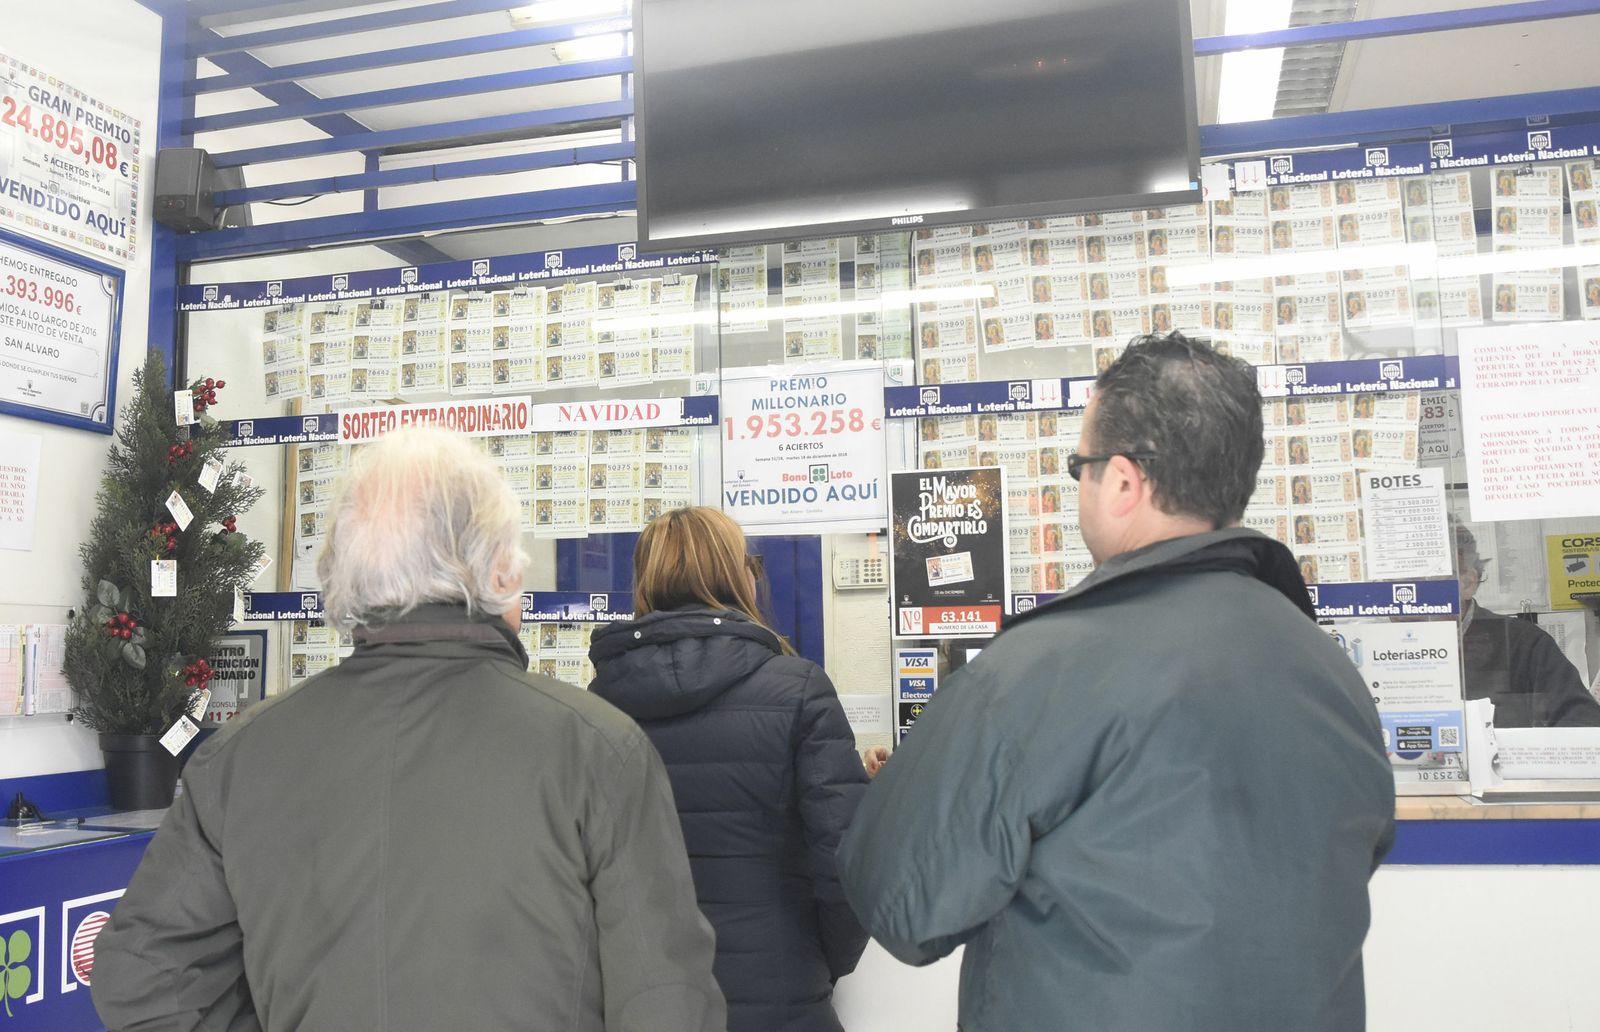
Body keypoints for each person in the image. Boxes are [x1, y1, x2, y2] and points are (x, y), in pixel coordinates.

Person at [838, 331, 1394, 1032]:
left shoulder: (1038, 673)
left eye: (1081, 466)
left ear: (1125, 481)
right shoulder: (1330, 671)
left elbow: (901, 903)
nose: (1081, 486)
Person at [92, 429, 724, 1032]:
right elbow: (667, 1003)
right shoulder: (598, 748)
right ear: (498, 576)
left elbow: (143, 979)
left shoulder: (237, 757)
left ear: (344, 575)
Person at [589, 507, 870, 1032]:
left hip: (647, 1001)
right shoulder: (799, 688)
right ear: (740, 576)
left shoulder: (597, 706)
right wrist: (814, 962)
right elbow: (848, 867)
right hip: (782, 994)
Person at [1457, 524, 1600, 727]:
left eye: (1427, 582)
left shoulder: (1525, 644)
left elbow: (1583, 724)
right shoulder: (1398, 643)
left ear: (1468, 582)